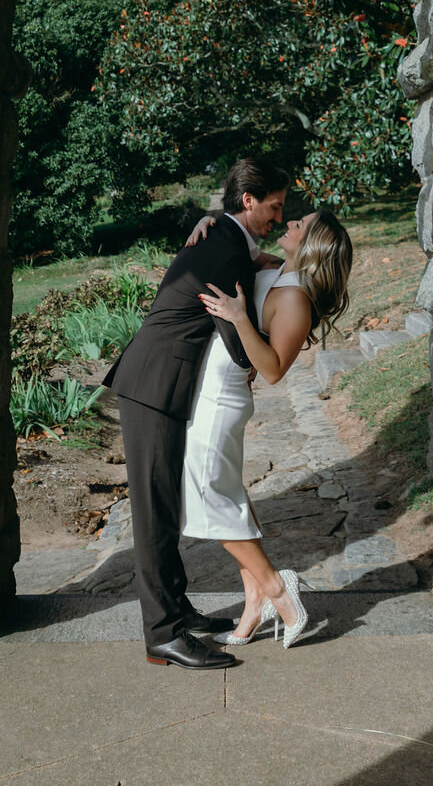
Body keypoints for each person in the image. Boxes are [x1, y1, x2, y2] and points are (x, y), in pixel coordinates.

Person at [102, 157, 289, 670]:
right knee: (154, 514)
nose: (278, 217)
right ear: (248, 200)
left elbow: (241, 268)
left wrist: (264, 259)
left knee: (165, 506)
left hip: (162, 386)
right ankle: (163, 635)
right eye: (274, 207)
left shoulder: (223, 240)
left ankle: (176, 611)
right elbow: (236, 336)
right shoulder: (221, 246)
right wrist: (266, 354)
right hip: (153, 387)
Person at [182, 207, 352, 649]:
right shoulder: (278, 269)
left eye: (300, 225)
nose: (290, 224)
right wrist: (210, 220)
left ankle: (278, 587)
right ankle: (255, 597)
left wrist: (239, 318)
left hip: (222, 398)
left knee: (209, 497)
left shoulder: (296, 299)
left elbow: (274, 370)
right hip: (210, 388)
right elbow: (241, 244)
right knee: (227, 497)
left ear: (312, 244)